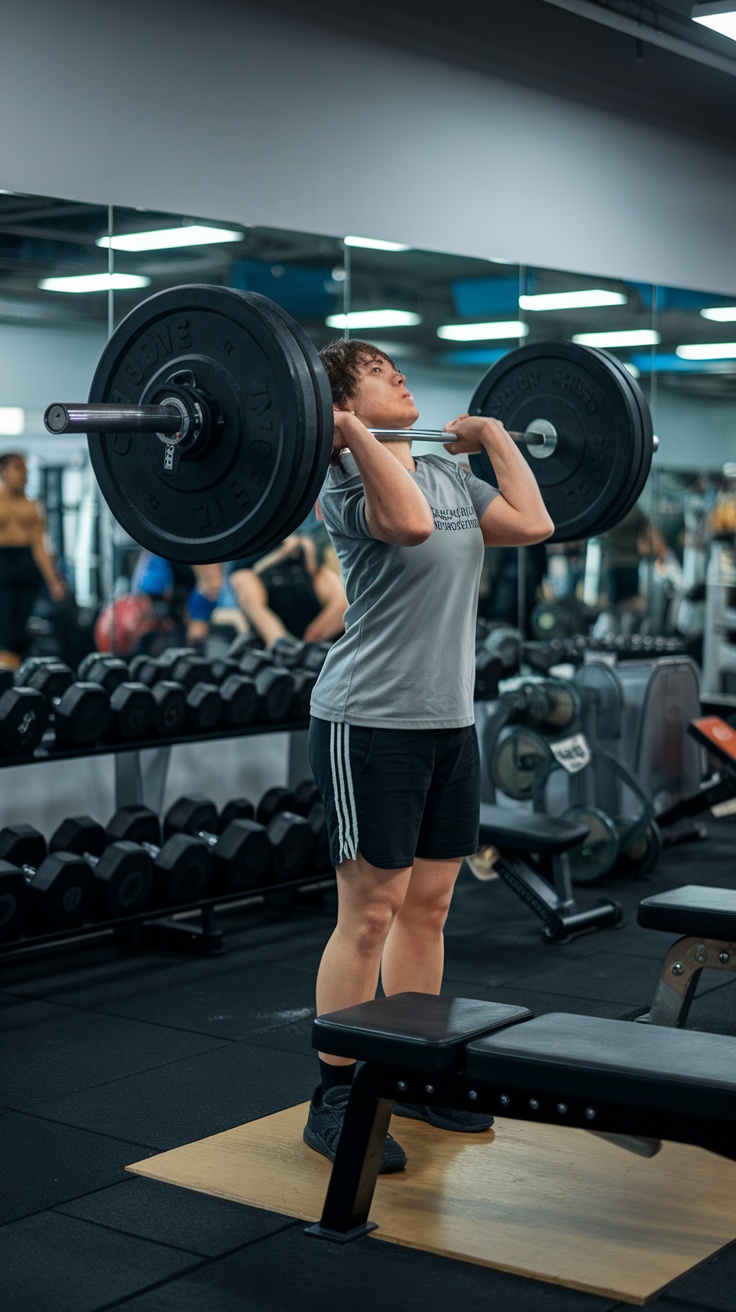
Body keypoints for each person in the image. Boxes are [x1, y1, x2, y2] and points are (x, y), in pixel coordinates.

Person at [303, 340, 554, 1172]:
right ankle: (336, 1095)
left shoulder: (449, 473)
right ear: (341, 402)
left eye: (396, 368)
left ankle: (409, 1067)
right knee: (369, 914)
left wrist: (493, 435)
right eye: (378, 373)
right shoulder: (345, 482)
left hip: (448, 720)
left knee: (431, 907)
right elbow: (407, 525)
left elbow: (533, 521)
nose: (400, 377)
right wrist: (343, 431)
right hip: (367, 720)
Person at [0, 453, 67, 670]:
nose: (24, 475)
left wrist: (54, 581)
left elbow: (40, 546)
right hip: (3, 566)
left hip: (26, 566)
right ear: (4, 471)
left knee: (20, 628)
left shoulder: (34, 507)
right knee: (5, 627)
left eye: (26, 470)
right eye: (18, 468)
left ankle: (14, 674)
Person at [227, 528, 347, 648]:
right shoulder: (245, 538)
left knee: (330, 581)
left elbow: (313, 564)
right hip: (264, 583)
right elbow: (240, 573)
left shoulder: (296, 527)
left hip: (304, 581)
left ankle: (307, 645)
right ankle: (278, 643)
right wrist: (280, 554)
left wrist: (303, 544)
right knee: (243, 580)